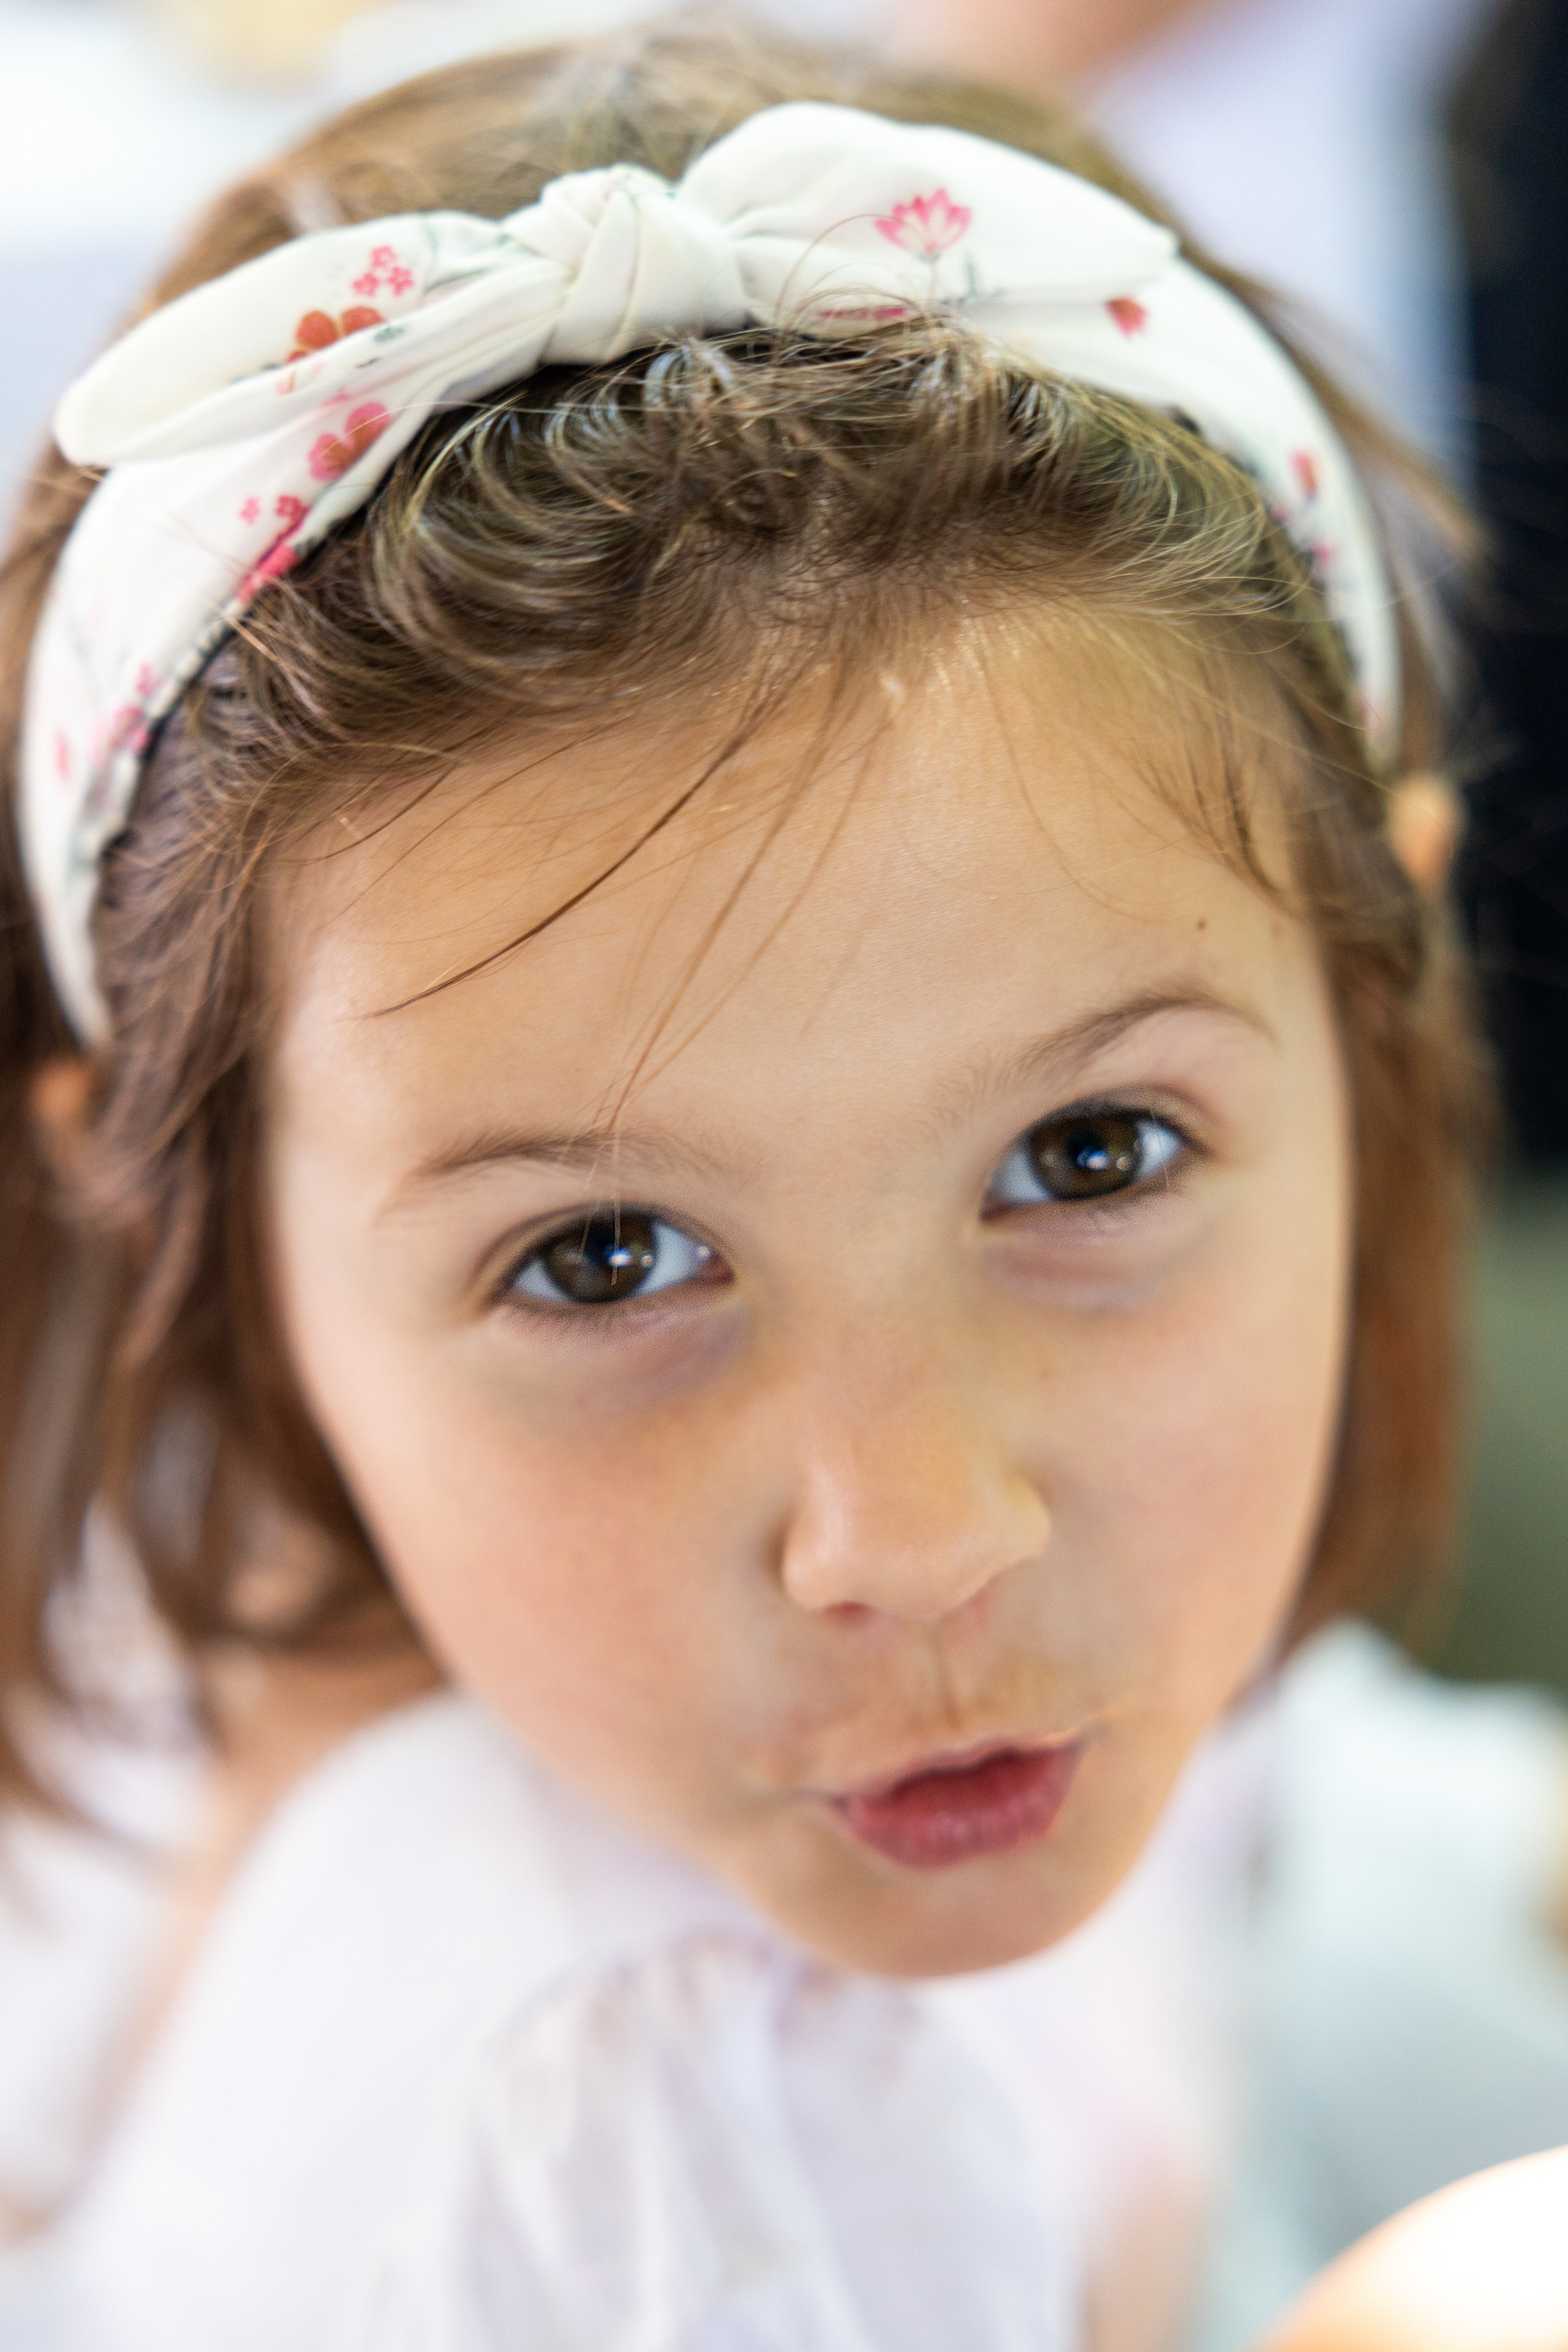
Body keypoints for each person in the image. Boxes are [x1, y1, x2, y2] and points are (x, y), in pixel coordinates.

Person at [0, 17, 1520, 2348]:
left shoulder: (832, 1703)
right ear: (188, 1227)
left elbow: (1303, 1832)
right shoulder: (635, 2110)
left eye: (1085, 1157)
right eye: (604, 1259)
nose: (916, 1531)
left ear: (1378, 986)